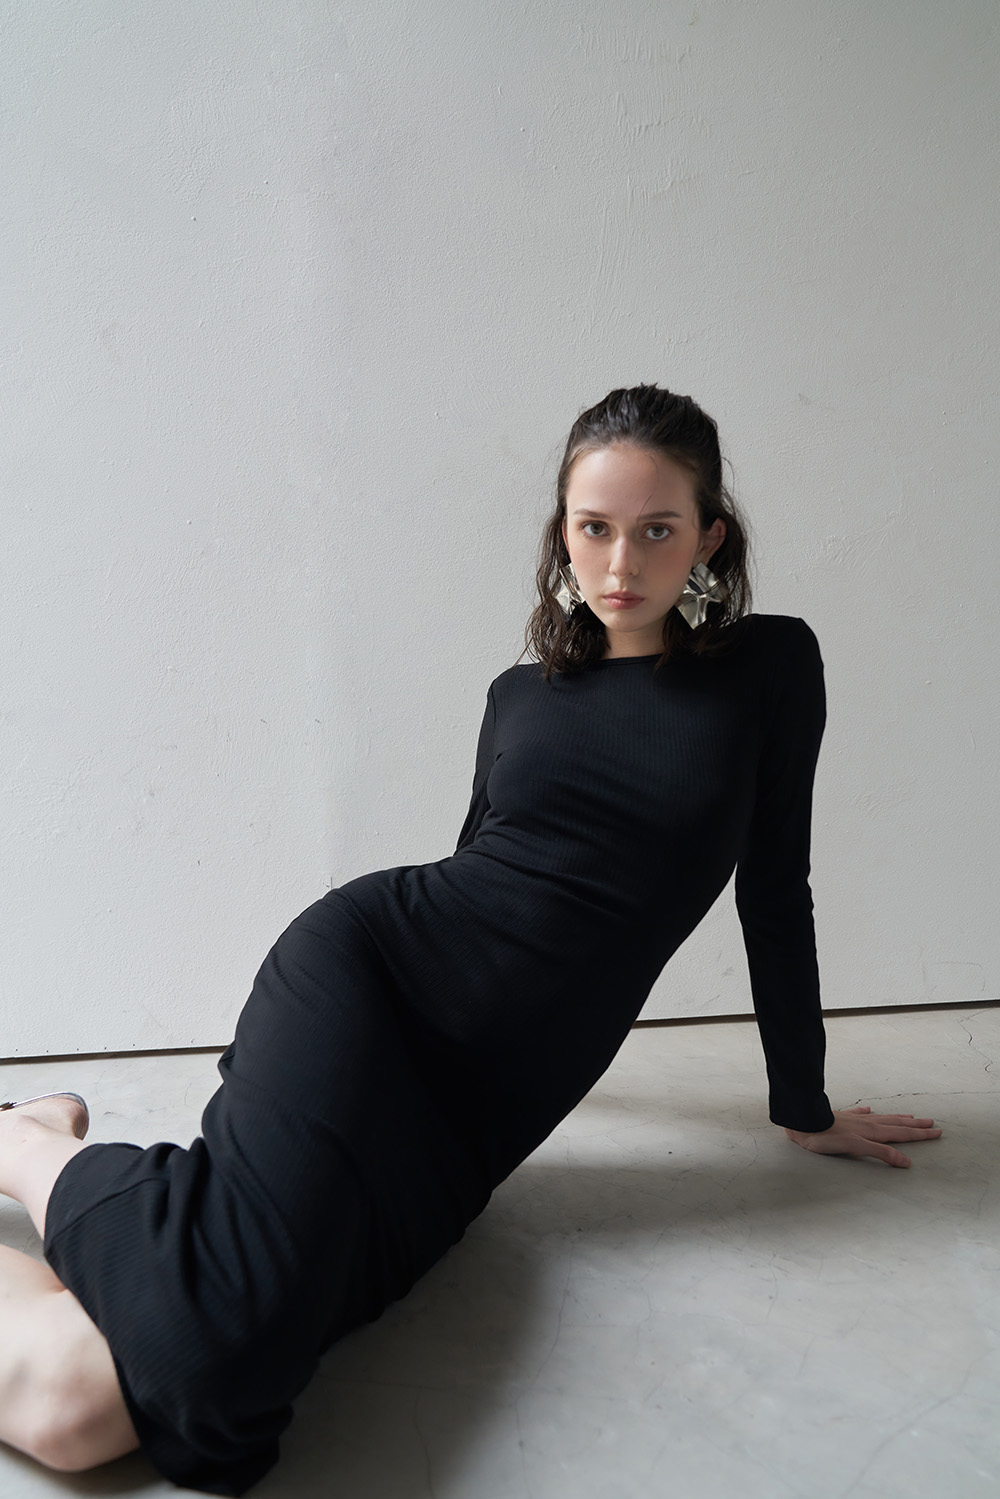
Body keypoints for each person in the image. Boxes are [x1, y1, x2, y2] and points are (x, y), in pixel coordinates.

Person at [0, 384, 941, 1495]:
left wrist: (803, 1103)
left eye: (657, 529)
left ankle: (37, 1138)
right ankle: (32, 1148)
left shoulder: (768, 667)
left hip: (471, 1117)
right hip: (372, 976)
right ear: (563, 534)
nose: (621, 562)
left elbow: (775, 888)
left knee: (92, 1407)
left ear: (709, 537)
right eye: (594, 528)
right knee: (216, 1365)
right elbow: (477, 873)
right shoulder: (520, 693)